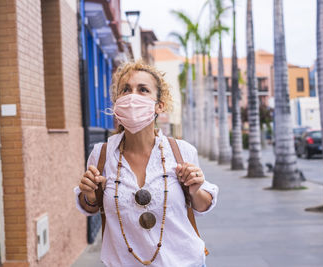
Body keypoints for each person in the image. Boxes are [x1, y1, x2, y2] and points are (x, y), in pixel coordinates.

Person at [74, 60, 219, 267]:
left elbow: (202, 206)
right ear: (116, 102)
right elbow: (90, 207)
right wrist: (89, 195)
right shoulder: (101, 154)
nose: (132, 97)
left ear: (159, 105)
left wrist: (195, 190)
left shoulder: (181, 151)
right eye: (126, 89)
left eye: (143, 90)